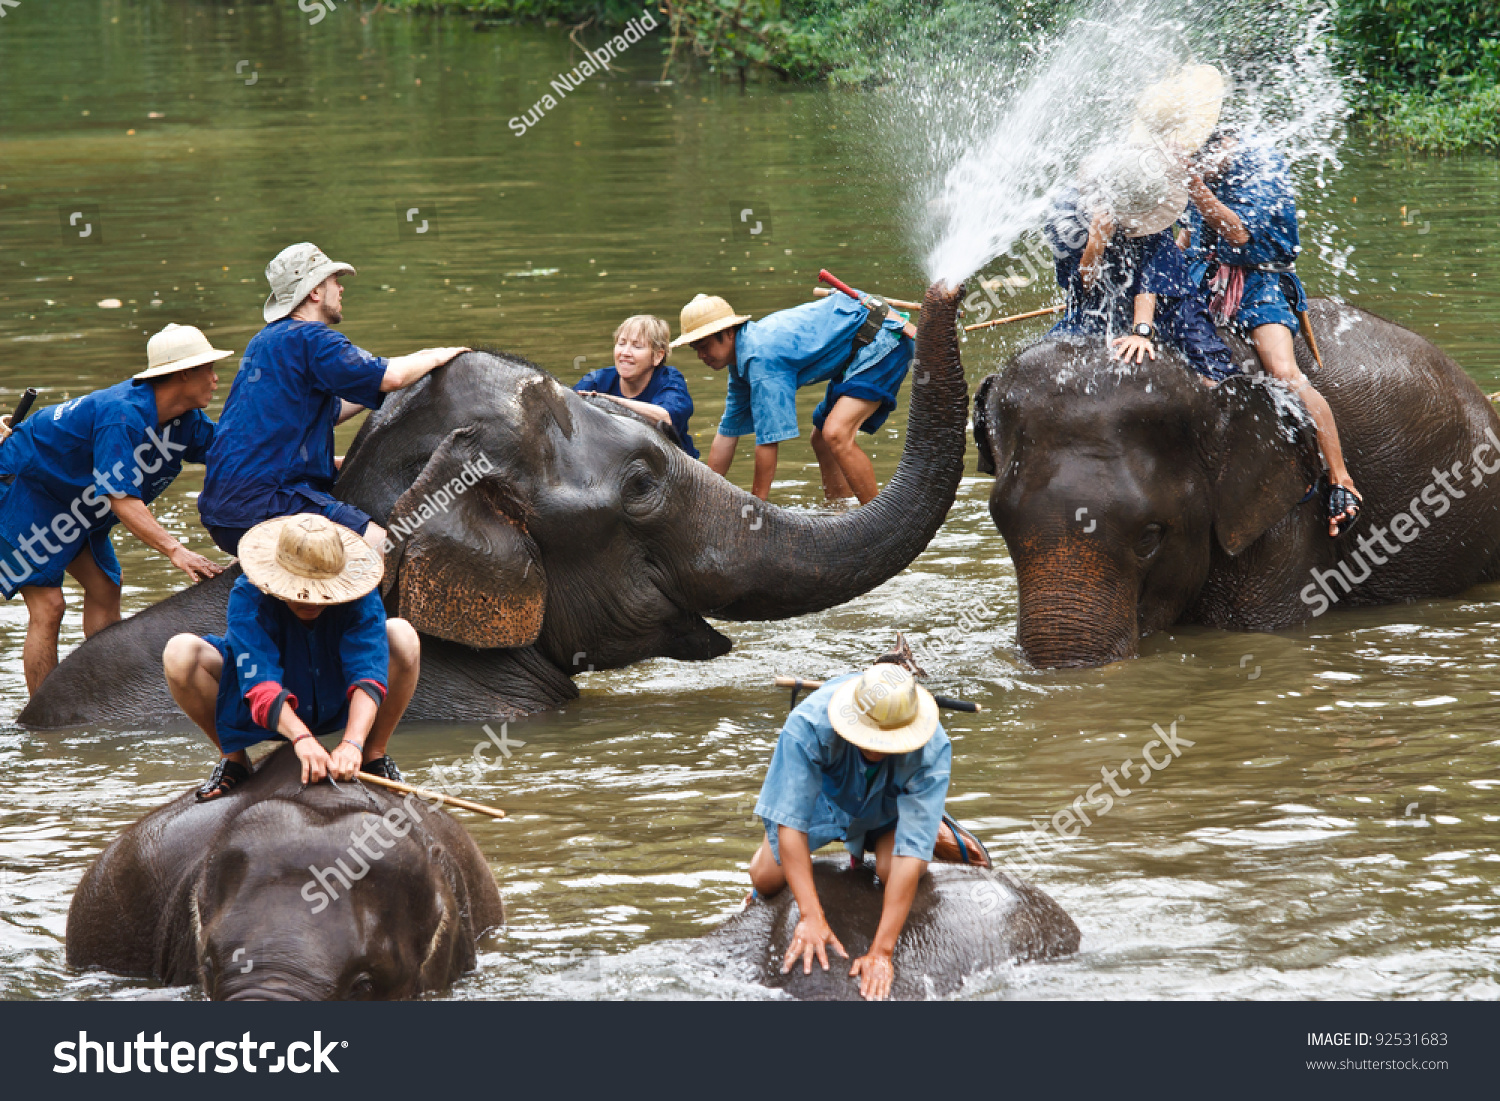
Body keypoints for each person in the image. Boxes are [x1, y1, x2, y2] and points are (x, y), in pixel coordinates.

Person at [197, 242, 470, 556]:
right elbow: (391, 376)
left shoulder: (265, 341)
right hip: (268, 503)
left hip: (223, 512)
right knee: (391, 550)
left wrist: (395, 382)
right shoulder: (313, 338)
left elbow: (326, 412)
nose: (340, 289)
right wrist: (433, 356)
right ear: (315, 292)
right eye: (333, 282)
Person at [0, 324, 229, 695]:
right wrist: (176, 549)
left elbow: (238, 454)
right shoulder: (121, 415)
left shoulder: (186, 422)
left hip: (74, 502)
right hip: (23, 489)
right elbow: (120, 499)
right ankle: (43, 718)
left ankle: (104, 694)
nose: (216, 380)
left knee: (106, 586)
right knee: (49, 605)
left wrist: (324, 461)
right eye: (209, 370)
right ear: (184, 373)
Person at [747, 663, 992, 1001]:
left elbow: (909, 857)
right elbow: (790, 824)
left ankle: (928, 822)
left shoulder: (932, 746)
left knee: (892, 870)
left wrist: (882, 952)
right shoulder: (807, 725)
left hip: (888, 810)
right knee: (764, 878)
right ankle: (921, 820)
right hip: (824, 803)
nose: (876, 748)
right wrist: (810, 915)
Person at [1180, 126, 1362, 536]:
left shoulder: (1262, 166)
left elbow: (1238, 232)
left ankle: (1341, 479)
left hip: (1260, 284)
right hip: (1205, 279)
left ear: (1226, 142)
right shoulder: (1200, 171)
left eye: (1206, 154)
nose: (1201, 163)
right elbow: (1189, 236)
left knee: (1283, 372)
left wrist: (1194, 185)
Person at [162, 514, 420, 801]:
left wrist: (352, 743)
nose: (309, 602)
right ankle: (234, 760)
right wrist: (302, 738)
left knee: (402, 635)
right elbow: (259, 681)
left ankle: (374, 754)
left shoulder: (360, 594)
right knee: (180, 652)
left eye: (320, 593)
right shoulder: (249, 595)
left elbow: (367, 671)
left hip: (337, 696)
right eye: (299, 592)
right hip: (258, 706)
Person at [674, 288, 914, 504]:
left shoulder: (760, 358)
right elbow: (727, 433)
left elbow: (768, 441)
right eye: (696, 349)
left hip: (883, 339)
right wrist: (702, 496)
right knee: (820, 438)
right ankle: (838, 511)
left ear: (727, 333)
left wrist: (757, 506)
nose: (701, 356)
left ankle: (880, 517)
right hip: (857, 349)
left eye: (704, 346)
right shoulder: (740, 365)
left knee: (836, 434)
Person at [1045, 144, 1236, 383]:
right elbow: (1081, 287)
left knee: (1213, 371)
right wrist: (1096, 242)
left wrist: (1141, 331)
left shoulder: (1145, 193)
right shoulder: (1067, 218)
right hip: (1099, 303)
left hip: (1167, 301)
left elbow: (1152, 277)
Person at [574, 314, 699, 458]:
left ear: (658, 356)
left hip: (672, 467)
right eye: (621, 344)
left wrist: (606, 400)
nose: (625, 353)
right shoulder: (597, 380)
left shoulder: (670, 380)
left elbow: (666, 418)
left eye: (637, 346)